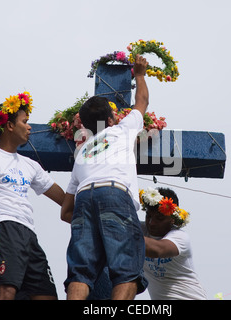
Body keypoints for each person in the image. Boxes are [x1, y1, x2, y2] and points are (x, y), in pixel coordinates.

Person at [61, 55, 150, 300]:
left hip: (83, 198)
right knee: (126, 273)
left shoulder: (82, 152)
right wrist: (140, 74)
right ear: (111, 119)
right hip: (115, 194)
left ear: (86, 126)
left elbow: (65, 212)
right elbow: (141, 102)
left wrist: (93, 228)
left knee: (80, 273)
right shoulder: (122, 130)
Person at [0, 91, 65, 300]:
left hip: (29, 234)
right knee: (7, 290)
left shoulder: (31, 165)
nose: (29, 127)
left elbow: (64, 200)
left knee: (47, 296)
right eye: (25, 121)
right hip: (2, 227)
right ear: (9, 125)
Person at [139, 187, 207, 300]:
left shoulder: (180, 237)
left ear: (172, 220)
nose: (151, 223)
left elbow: (158, 250)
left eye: (159, 218)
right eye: (148, 216)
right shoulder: (141, 229)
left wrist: (127, 234)